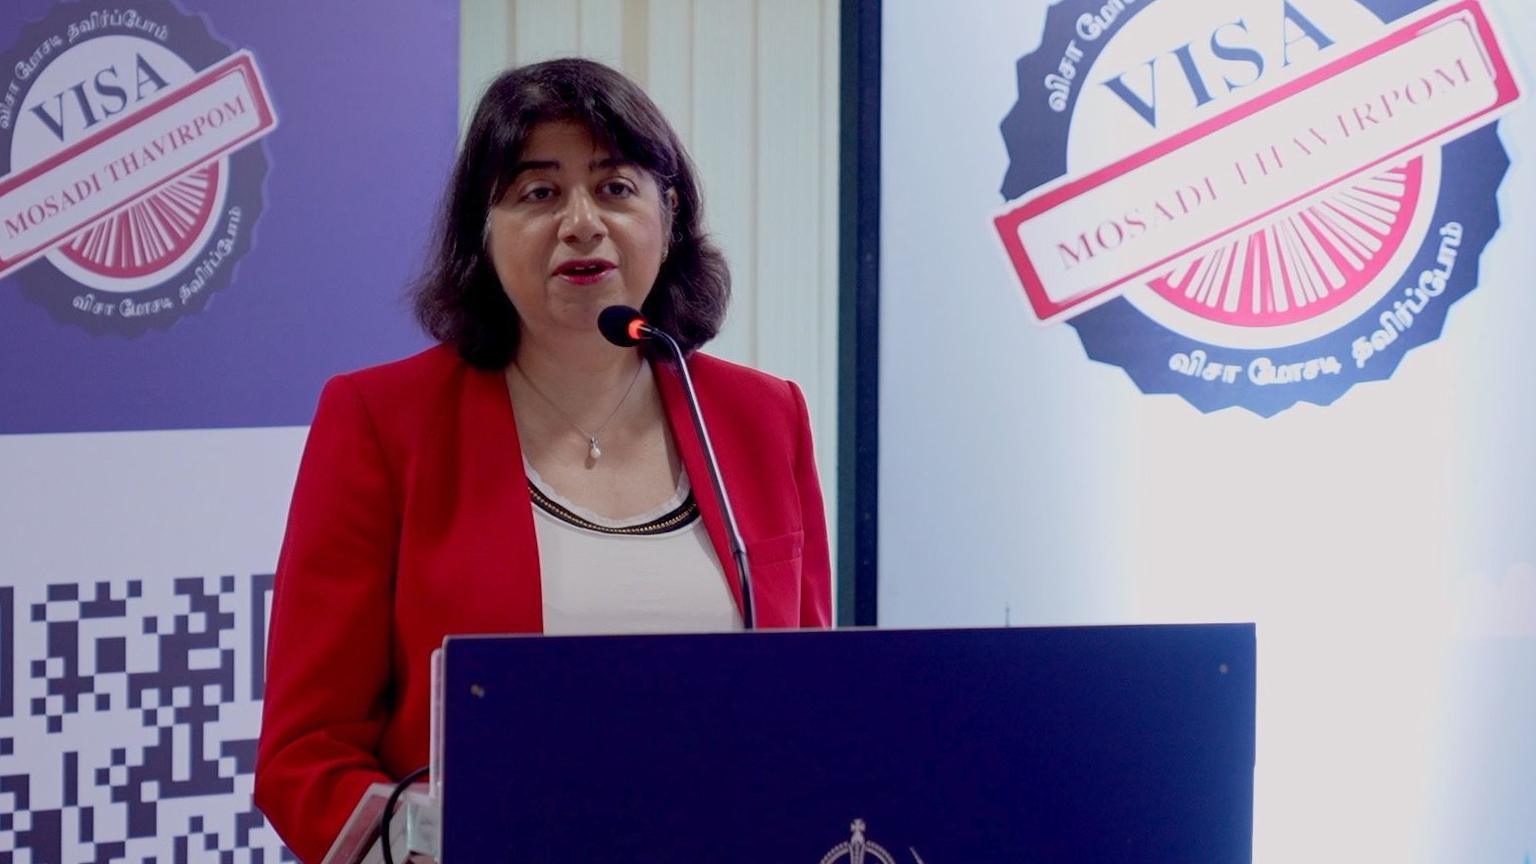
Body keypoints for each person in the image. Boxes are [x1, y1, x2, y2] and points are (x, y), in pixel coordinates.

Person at [253, 58, 832, 862]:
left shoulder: (764, 419)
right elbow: (303, 755)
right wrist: (440, 837)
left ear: (669, 217)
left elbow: (812, 706)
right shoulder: (382, 423)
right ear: (482, 233)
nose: (582, 222)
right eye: (539, 193)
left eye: (616, 187)